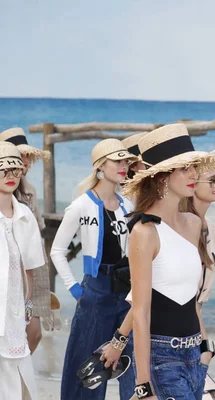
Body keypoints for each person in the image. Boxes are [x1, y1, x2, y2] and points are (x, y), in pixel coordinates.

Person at [100, 149, 215, 398]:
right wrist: (143, 384)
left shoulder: (194, 224)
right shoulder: (144, 232)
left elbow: (191, 298)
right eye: (184, 169)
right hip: (162, 357)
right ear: (162, 178)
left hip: (195, 356)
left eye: (193, 167)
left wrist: (205, 348)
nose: (194, 174)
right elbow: (141, 307)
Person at [50, 138, 138, 399]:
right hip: (95, 291)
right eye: (118, 161)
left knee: (130, 364)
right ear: (100, 166)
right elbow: (57, 251)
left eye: (126, 162)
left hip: (126, 291)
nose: (124, 166)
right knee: (87, 368)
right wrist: (75, 289)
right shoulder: (81, 205)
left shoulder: (128, 206)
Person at [0, 127, 55, 349]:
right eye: (19, 156)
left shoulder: (30, 191)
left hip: (33, 266)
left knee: (34, 332)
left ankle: (19, 376)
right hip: (11, 267)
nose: (24, 161)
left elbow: (38, 228)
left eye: (26, 157)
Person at [0, 142, 45, 399]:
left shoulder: (25, 215)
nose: (11, 176)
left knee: (21, 388)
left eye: (16, 170)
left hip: (15, 320)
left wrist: (27, 311)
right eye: (3, 170)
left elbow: (29, 270)